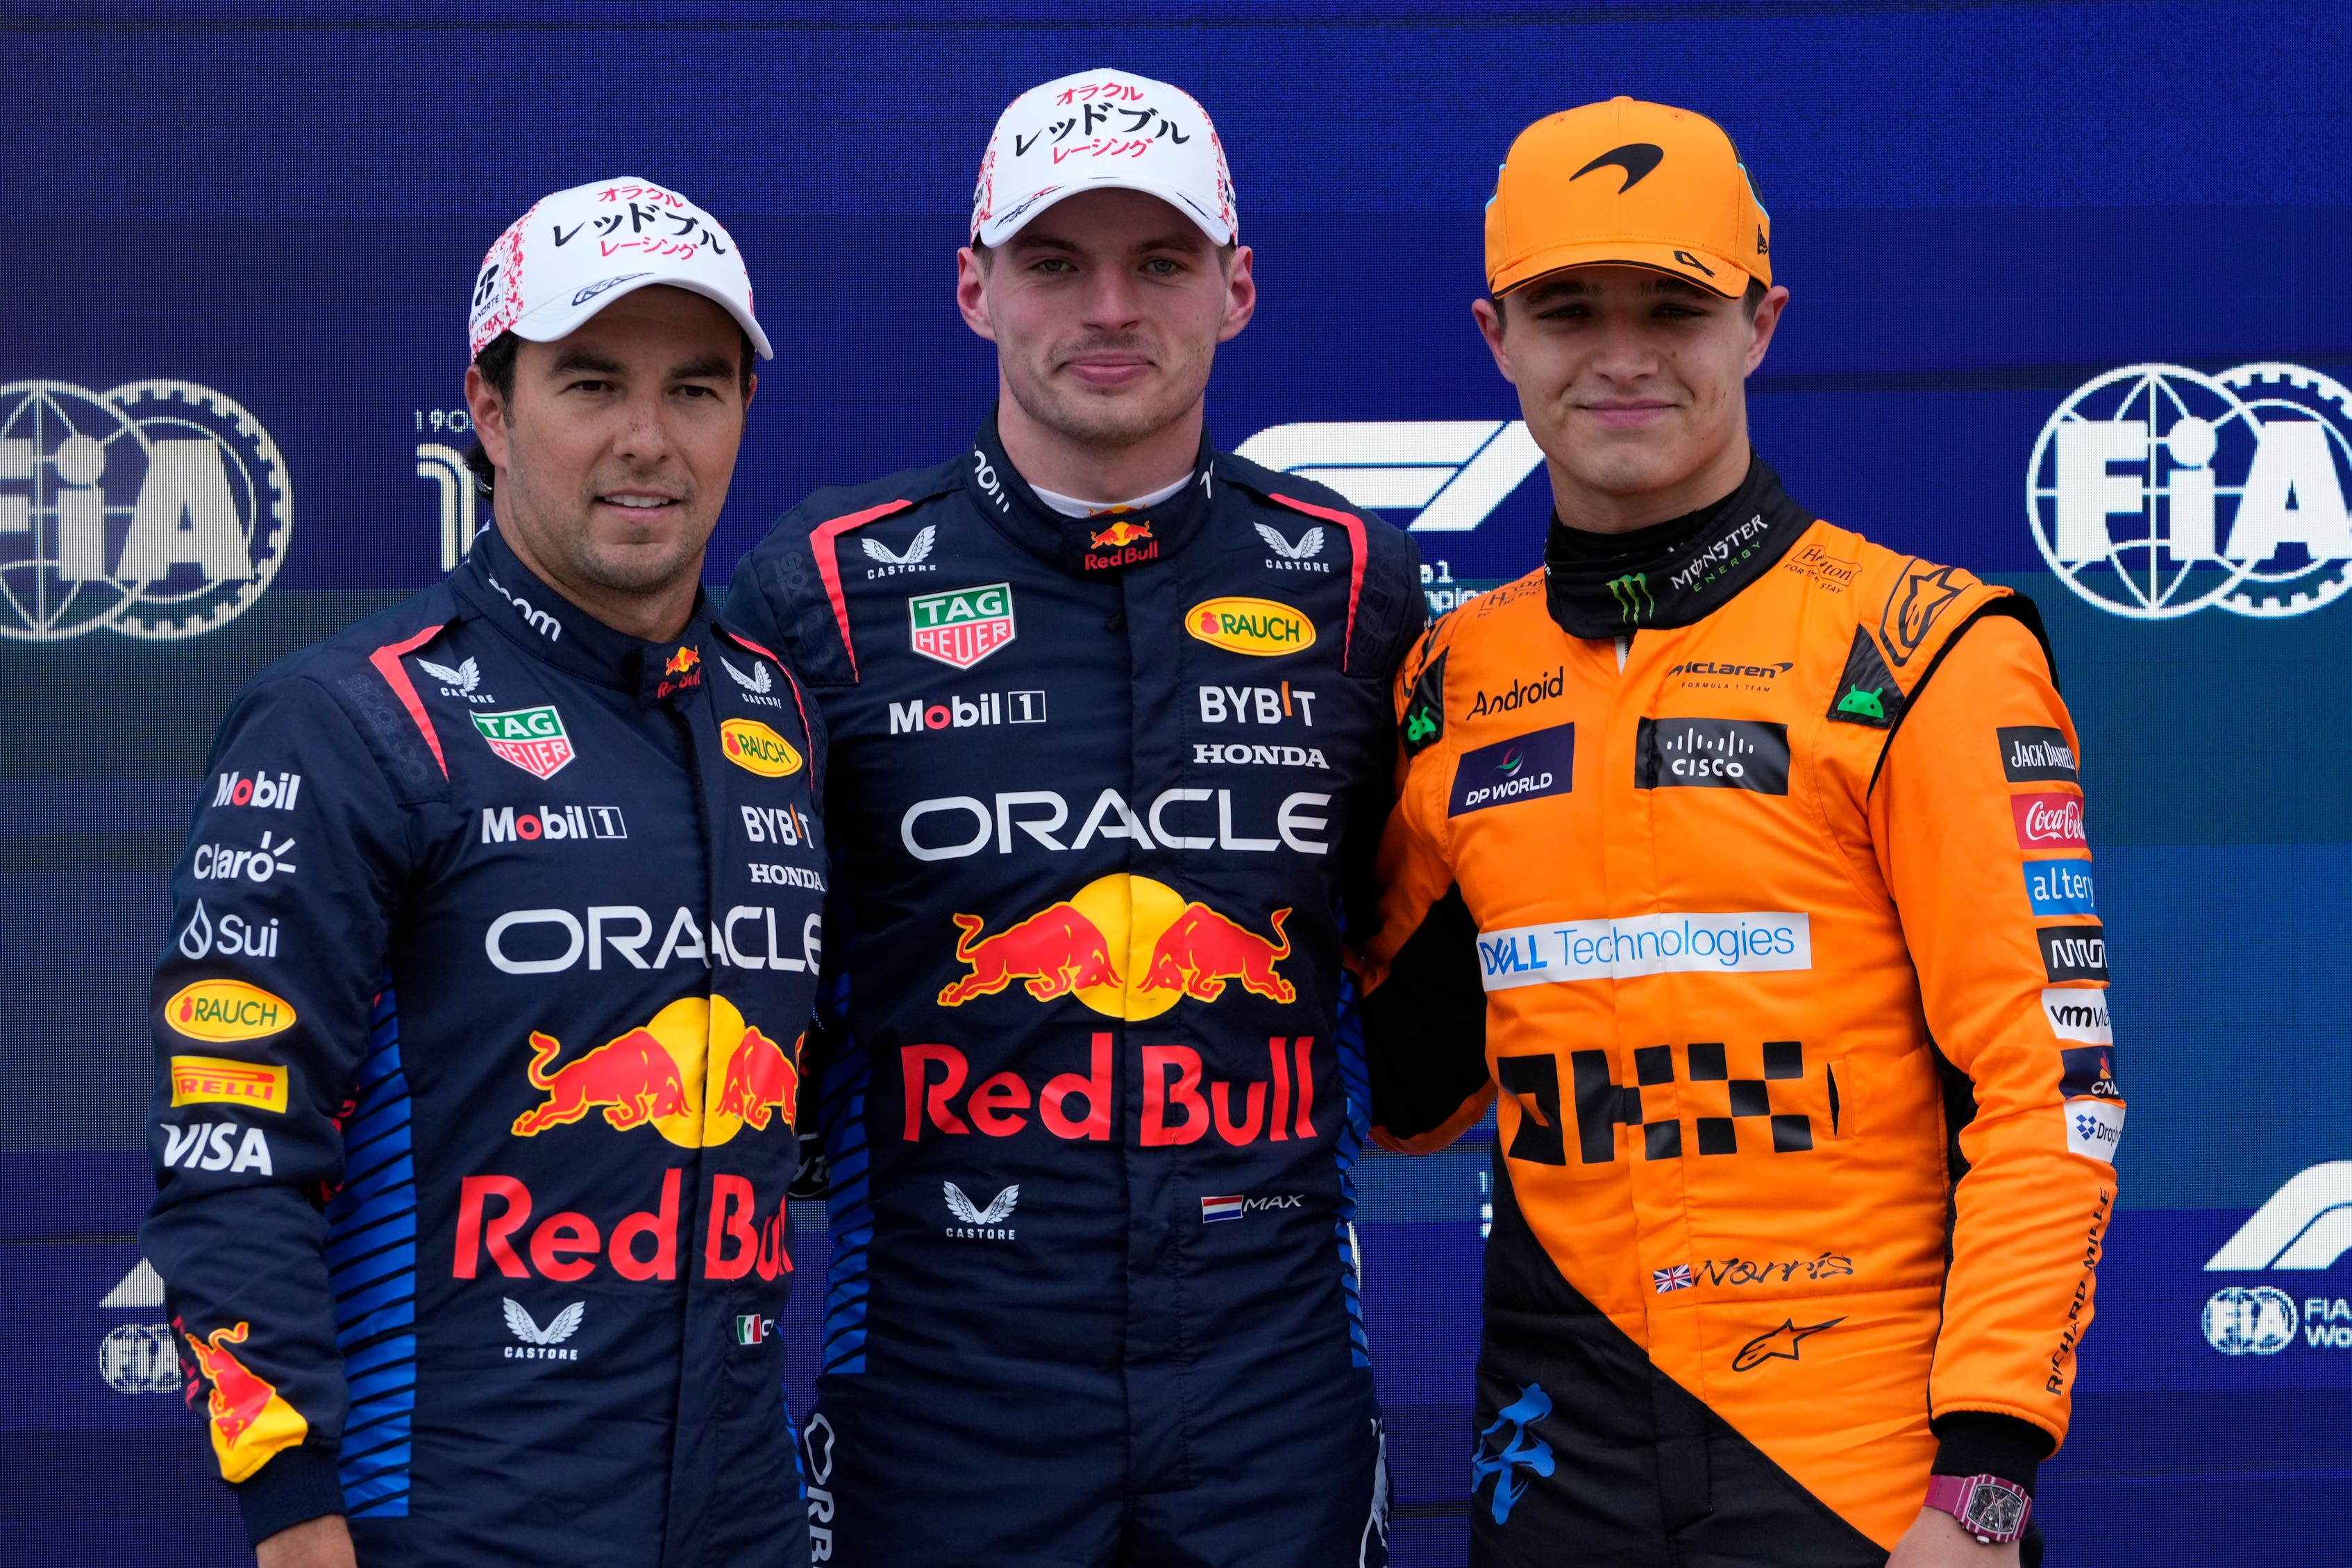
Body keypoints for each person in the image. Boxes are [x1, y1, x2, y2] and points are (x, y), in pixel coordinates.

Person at [1359, 99, 2117, 1567]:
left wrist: (1980, 1494)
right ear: (1492, 333)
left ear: (1760, 323)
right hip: (1553, 1450)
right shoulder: (1447, 684)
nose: (1623, 354)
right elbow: (1406, 1087)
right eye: (1568, 307)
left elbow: (2048, 1093)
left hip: (1857, 1465)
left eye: (1675, 306)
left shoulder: (1922, 649)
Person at [725, 67, 1421, 1568]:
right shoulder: (826, 587)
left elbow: (1408, 946)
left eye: (1157, 262)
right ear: (974, 288)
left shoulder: (1353, 583)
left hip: (1269, 1377)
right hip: (942, 1374)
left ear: (1235, 291)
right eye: (1055, 262)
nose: (1108, 307)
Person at [142, 177, 825, 1568]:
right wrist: (291, 1515)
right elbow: (232, 1158)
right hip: (451, 1516)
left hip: (741, 1513)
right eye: (590, 383)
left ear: (743, 412)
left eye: (695, 389)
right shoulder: (347, 719)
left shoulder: (780, 712)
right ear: (493, 410)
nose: (647, 440)